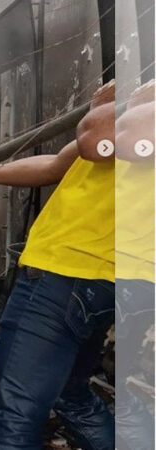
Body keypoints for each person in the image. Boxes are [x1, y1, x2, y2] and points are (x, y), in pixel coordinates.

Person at [0, 80, 116, 449]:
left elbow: (96, 138)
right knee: (72, 395)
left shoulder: (141, 106)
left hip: (66, 274)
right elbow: (56, 165)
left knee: (6, 421)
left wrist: (106, 104)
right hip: (101, 281)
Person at [114, 79, 154, 449]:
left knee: (119, 390)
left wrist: (134, 103)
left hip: (137, 273)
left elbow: (125, 143)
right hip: (132, 273)